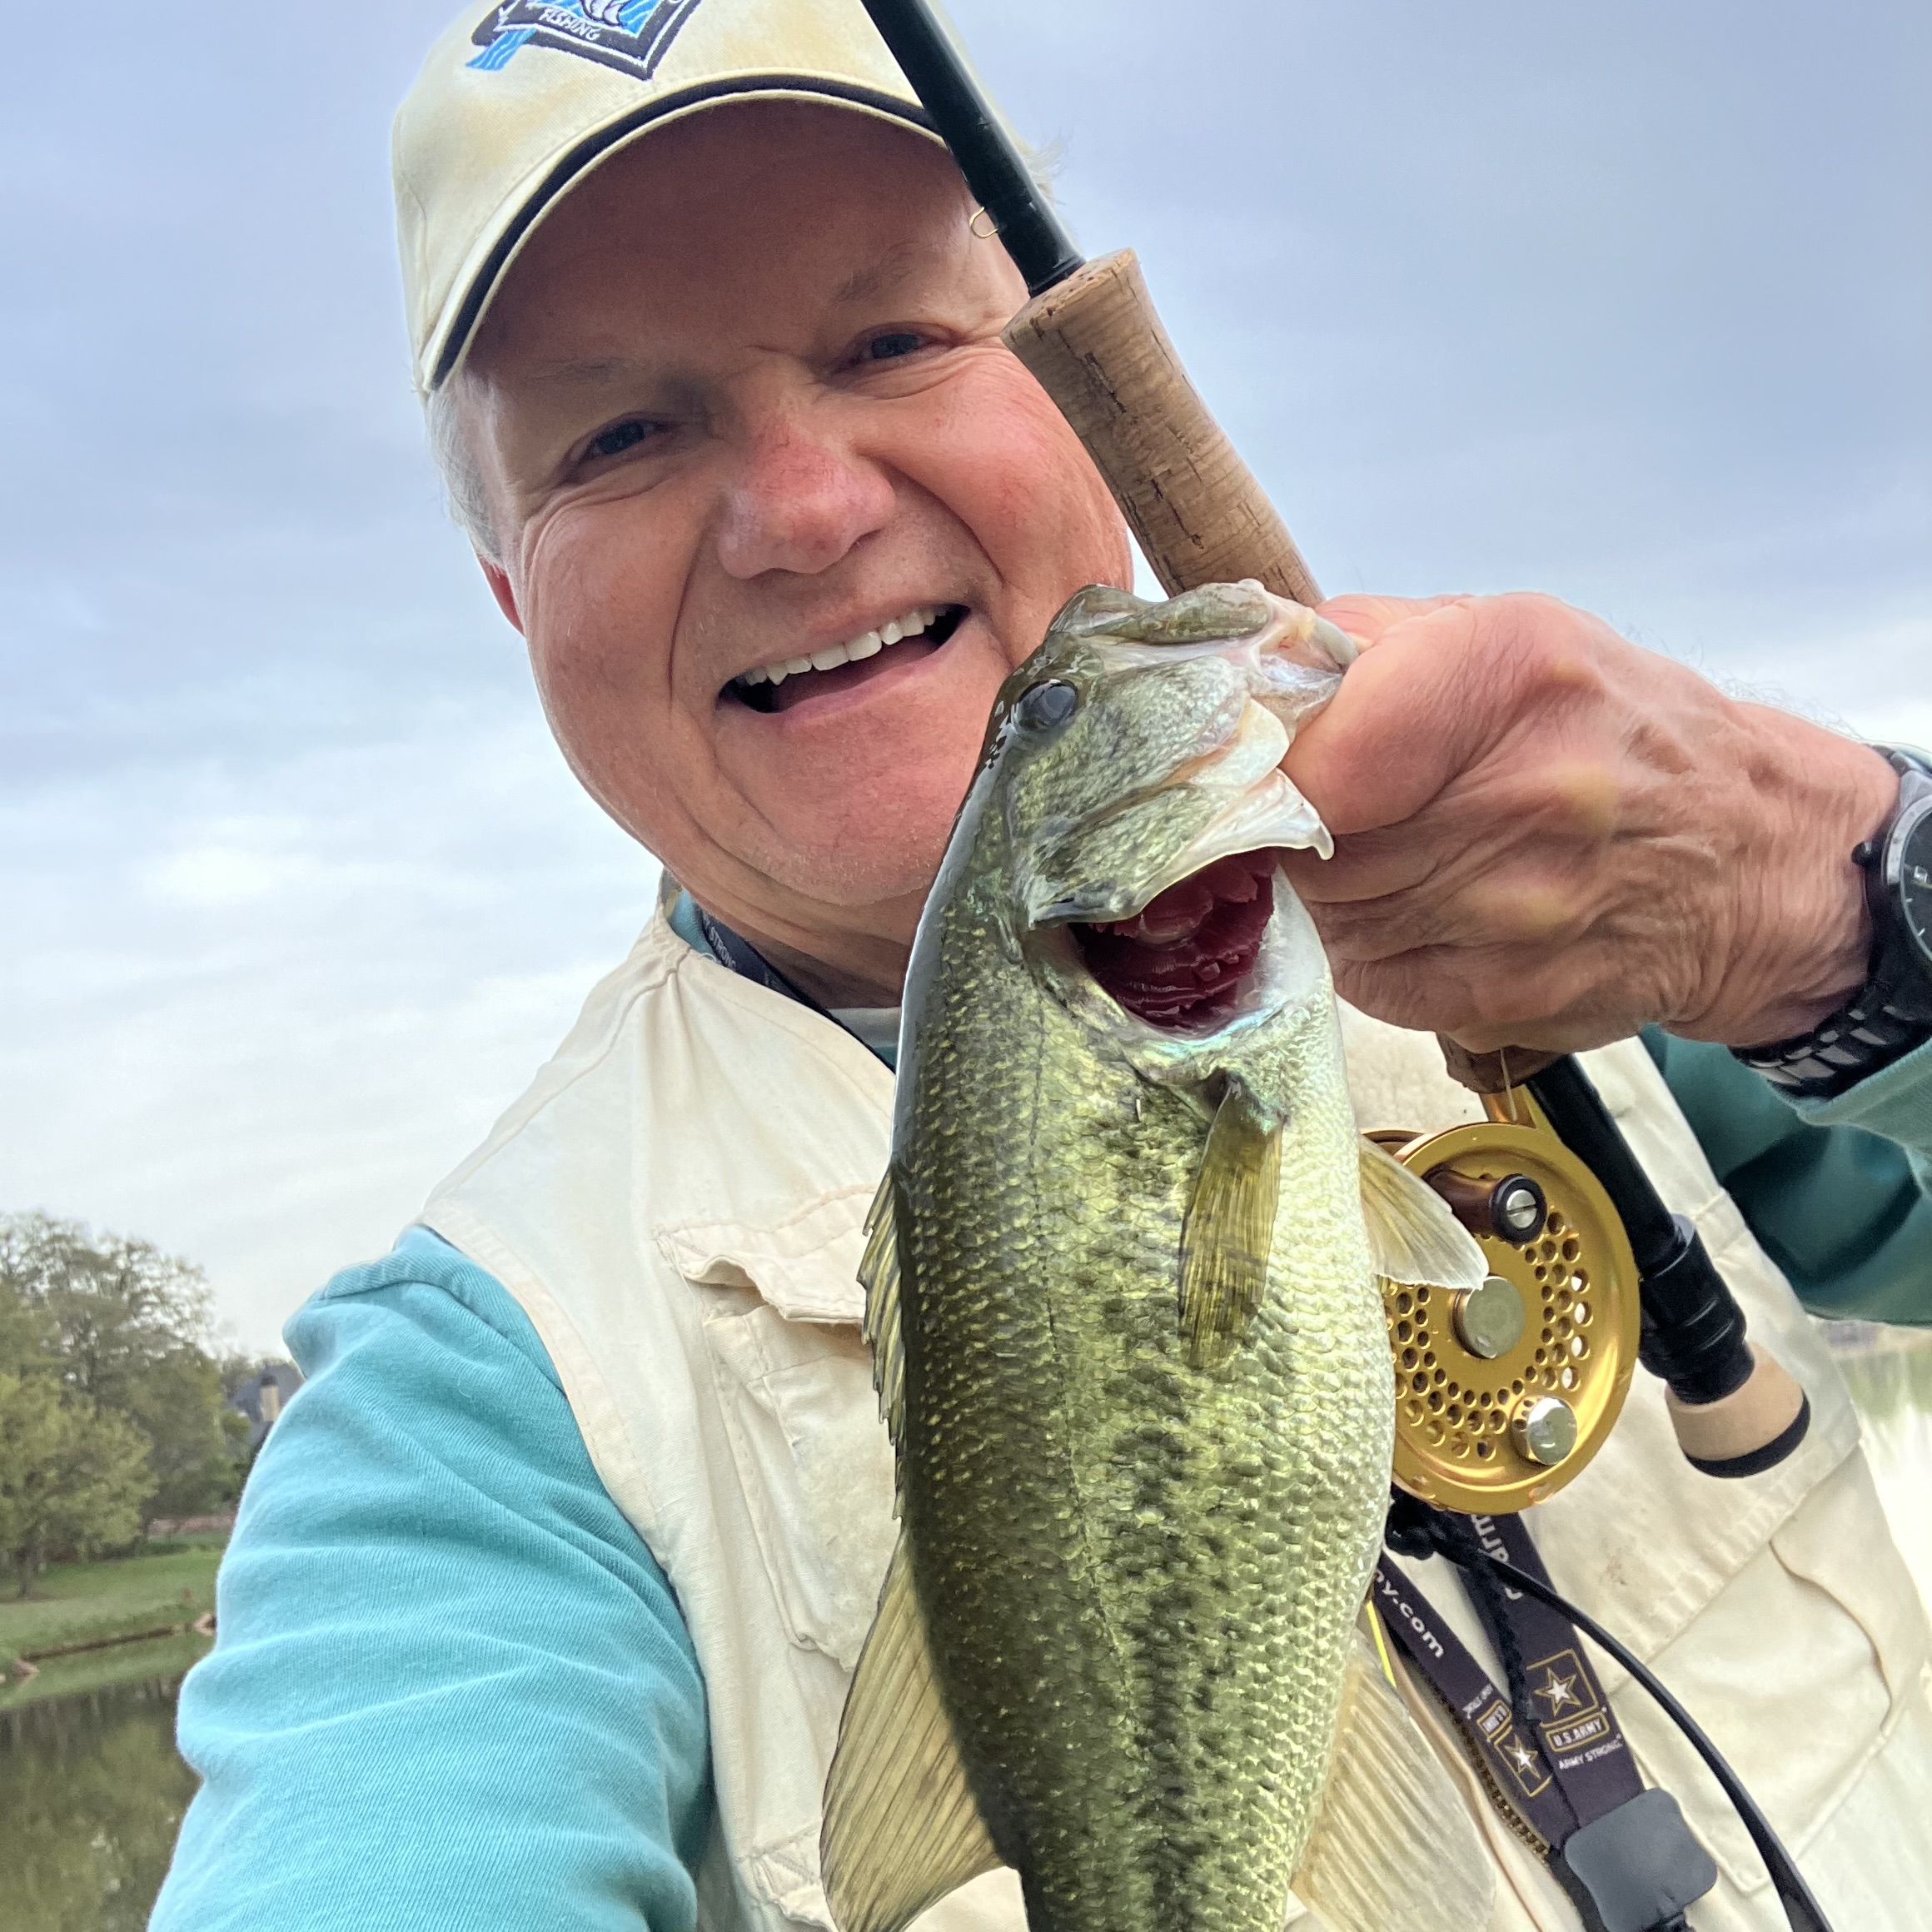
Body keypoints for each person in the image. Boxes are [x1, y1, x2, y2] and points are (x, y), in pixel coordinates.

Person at [152, 3, 1932, 1929]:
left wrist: (1836, 895)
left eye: (891, 343)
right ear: (512, 588)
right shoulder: (462, 1422)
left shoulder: (1558, 920)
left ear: (1082, 400)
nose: (804, 509)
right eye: (619, 435)